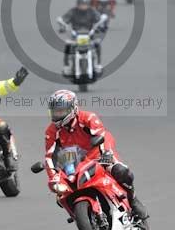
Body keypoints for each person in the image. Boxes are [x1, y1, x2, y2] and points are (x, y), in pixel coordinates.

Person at [45, 90, 147, 220]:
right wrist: (53, 177)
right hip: (72, 159)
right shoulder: (51, 131)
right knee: (61, 193)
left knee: (120, 171)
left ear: (73, 108)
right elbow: (49, 156)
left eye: (61, 111)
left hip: (97, 152)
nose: (57, 114)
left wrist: (106, 153)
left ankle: (133, 199)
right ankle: (81, 216)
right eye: (54, 111)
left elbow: (102, 136)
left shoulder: (88, 117)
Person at [57, 0, 106, 75]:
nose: (83, 6)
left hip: (89, 35)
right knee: (68, 45)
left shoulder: (92, 11)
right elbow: (64, 19)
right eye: (81, 4)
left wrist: (100, 25)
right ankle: (66, 65)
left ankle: (98, 64)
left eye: (85, 4)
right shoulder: (73, 11)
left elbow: (99, 19)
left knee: (97, 43)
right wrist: (62, 24)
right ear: (77, 5)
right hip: (75, 36)